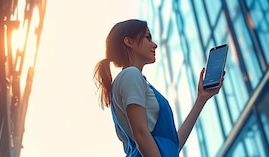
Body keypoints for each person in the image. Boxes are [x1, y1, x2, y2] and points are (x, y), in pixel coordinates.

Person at [93, 19, 224, 157]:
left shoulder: (134, 79)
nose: (154, 45)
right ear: (129, 42)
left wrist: (201, 99)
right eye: (147, 38)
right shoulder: (130, 75)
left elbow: (172, 146)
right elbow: (140, 133)